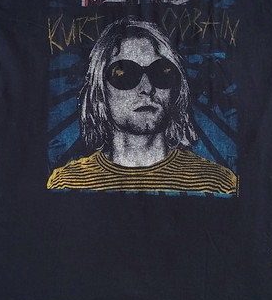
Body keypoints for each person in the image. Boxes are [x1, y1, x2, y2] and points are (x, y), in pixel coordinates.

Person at [47, 17, 238, 195]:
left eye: (161, 72)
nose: (147, 88)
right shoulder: (67, 183)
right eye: (124, 74)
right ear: (100, 91)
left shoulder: (218, 183)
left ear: (176, 89)